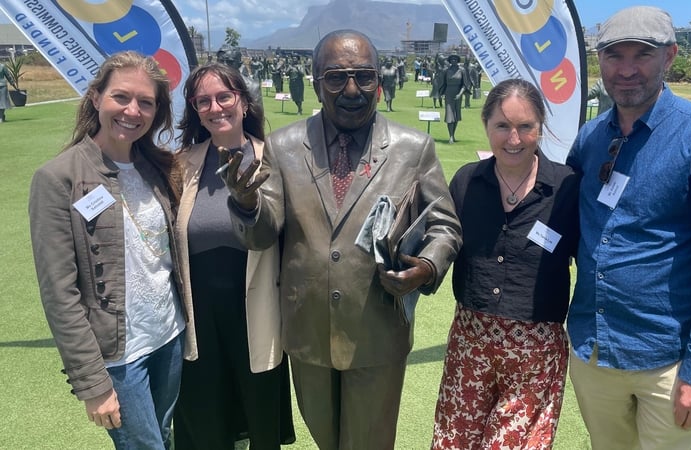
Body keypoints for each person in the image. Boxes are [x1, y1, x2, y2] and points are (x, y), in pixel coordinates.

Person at [219, 29, 462, 450]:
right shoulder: (283, 146)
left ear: (379, 80)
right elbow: (262, 235)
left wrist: (424, 268)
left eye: (363, 76)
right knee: (325, 440)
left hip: (378, 328)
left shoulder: (413, 148)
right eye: (336, 78)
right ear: (315, 82)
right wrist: (245, 204)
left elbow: (445, 225)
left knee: (369, 442)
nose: (352, 89)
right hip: (308, 330)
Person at [565, 7, 691, 450]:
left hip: (668, 359)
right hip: (593, 351)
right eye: (614, 56)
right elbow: (567, 227)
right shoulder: (591, 138)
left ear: (669, 57)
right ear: (600, 61)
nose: (626, 70)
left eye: (641, 55)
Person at [28, 50, 196, 449]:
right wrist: (91, 381)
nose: (132, 110)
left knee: (165, 436)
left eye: (146, 102)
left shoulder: (157, 167)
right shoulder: (58, 178)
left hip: (169, 337)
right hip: (119, 355)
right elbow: (59, 293)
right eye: (121, 96)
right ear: (96, 97)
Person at [431, 78, 579, 449]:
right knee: (454, 441)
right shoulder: (467, 181)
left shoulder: (566, 188)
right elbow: (440, 243)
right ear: (486, 126)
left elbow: (593, 258)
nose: (513, 139)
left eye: (525, 126)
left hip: (535, 352)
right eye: (502, 126)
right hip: (470, 342)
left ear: (540, 128)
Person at [173, 62, 296, 450]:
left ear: (243, 101)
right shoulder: (181, 163)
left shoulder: (277, 161)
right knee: (205, 424)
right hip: (198, 318)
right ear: (195, 109)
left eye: (224, 96)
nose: (215, 107)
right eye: (203, 100)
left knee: (259, 423)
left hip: (256, 312)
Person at [440, 53, 468, 144]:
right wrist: (441, 93)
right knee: (449, 114)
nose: (453, 61)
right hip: (449, 93)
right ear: (450, 61)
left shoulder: (462, 70)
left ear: (457, 60)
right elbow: (443, 83)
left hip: (458, 93)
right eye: (452, 59)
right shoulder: (446, 70)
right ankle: (450, 136)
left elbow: (465, 85)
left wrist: (460, 94)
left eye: (455, 59)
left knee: (456, 115)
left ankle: (453, 134)